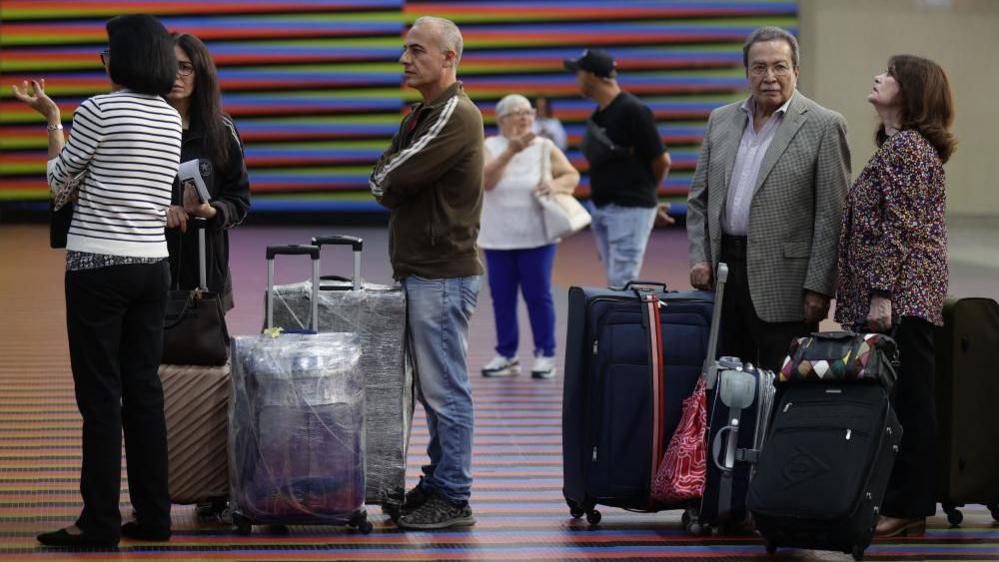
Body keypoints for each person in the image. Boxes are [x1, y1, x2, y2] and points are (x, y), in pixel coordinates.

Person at [12, 14, 182, 547]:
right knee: (144, 391)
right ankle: (155, 518)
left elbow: (59, 184)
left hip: (97, 267)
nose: (104, 62)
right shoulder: (170, 118)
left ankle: (100, 523)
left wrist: (51, 120)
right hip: (153, 266)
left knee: (101, 396)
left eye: (107, 53)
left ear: (125, 58)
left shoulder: (100, 110)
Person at [369, 16, 483, 530]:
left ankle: (454, 496)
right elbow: (391, 174)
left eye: (416, 50)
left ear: (449, 58)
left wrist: (388, 178)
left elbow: (389, 177)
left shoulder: (456, 114)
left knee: (445, 389)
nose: (405, 59)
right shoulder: (423, 112)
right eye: (406, 50)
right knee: (432, 389)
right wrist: (389, 176)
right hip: (424, 270)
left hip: (442, 273)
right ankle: (438, 483)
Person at [835, 55, 955, 538]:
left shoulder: (907, 148)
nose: (879, 76)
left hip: (901, 295)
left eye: (891, 74)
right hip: (900, 292)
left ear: (909, 91)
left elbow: (899, 230)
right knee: (899, 399)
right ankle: (903, 502)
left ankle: (909, 506)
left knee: (908, 402)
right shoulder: (896, 146)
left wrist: (881, 294)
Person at [686, 26, 850, 372]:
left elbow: (831, 214)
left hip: (787, 284)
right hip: (724, 274)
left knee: (782, 385)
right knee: (728, 382)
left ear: (796, 71)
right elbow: (699, 199)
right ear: (747, 72)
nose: (769, 77)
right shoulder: (721, 120)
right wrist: (700, 258)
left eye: (780, 66)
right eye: (759, 67)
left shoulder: (823, 125)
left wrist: (820, 287)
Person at [479, 94, 580, 379]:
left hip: (537, 235)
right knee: (502, 298)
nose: (524, 117)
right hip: (498, 235)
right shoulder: (489, 146)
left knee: (538, 296)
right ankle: (507, 355)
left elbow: (571, 176)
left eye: (528, 112)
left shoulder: (545, 146)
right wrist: (511, 151)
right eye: (516, 112)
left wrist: (554, 183)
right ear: (501, 120)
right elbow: (486, 182)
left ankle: (545, 354)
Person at [565, 48, 671, 289]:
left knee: (623, 282)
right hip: (604, 207)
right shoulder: (601, 114)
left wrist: (646, 197)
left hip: (628, 208)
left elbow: (662, 160)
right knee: (616, 280)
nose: (577, 80)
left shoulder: (633, 110)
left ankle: (624, 327)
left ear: (592, 75)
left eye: (579, 73)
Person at [165, 33, 250, 313]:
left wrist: (208, 211)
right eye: (169, 64)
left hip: (206, 267)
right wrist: (161, 211)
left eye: (185, 67)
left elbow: (239, 199)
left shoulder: (221, 130)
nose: (176, 75)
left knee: (206, 352)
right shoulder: (145, 127)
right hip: (154, 266)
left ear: (201, 72)